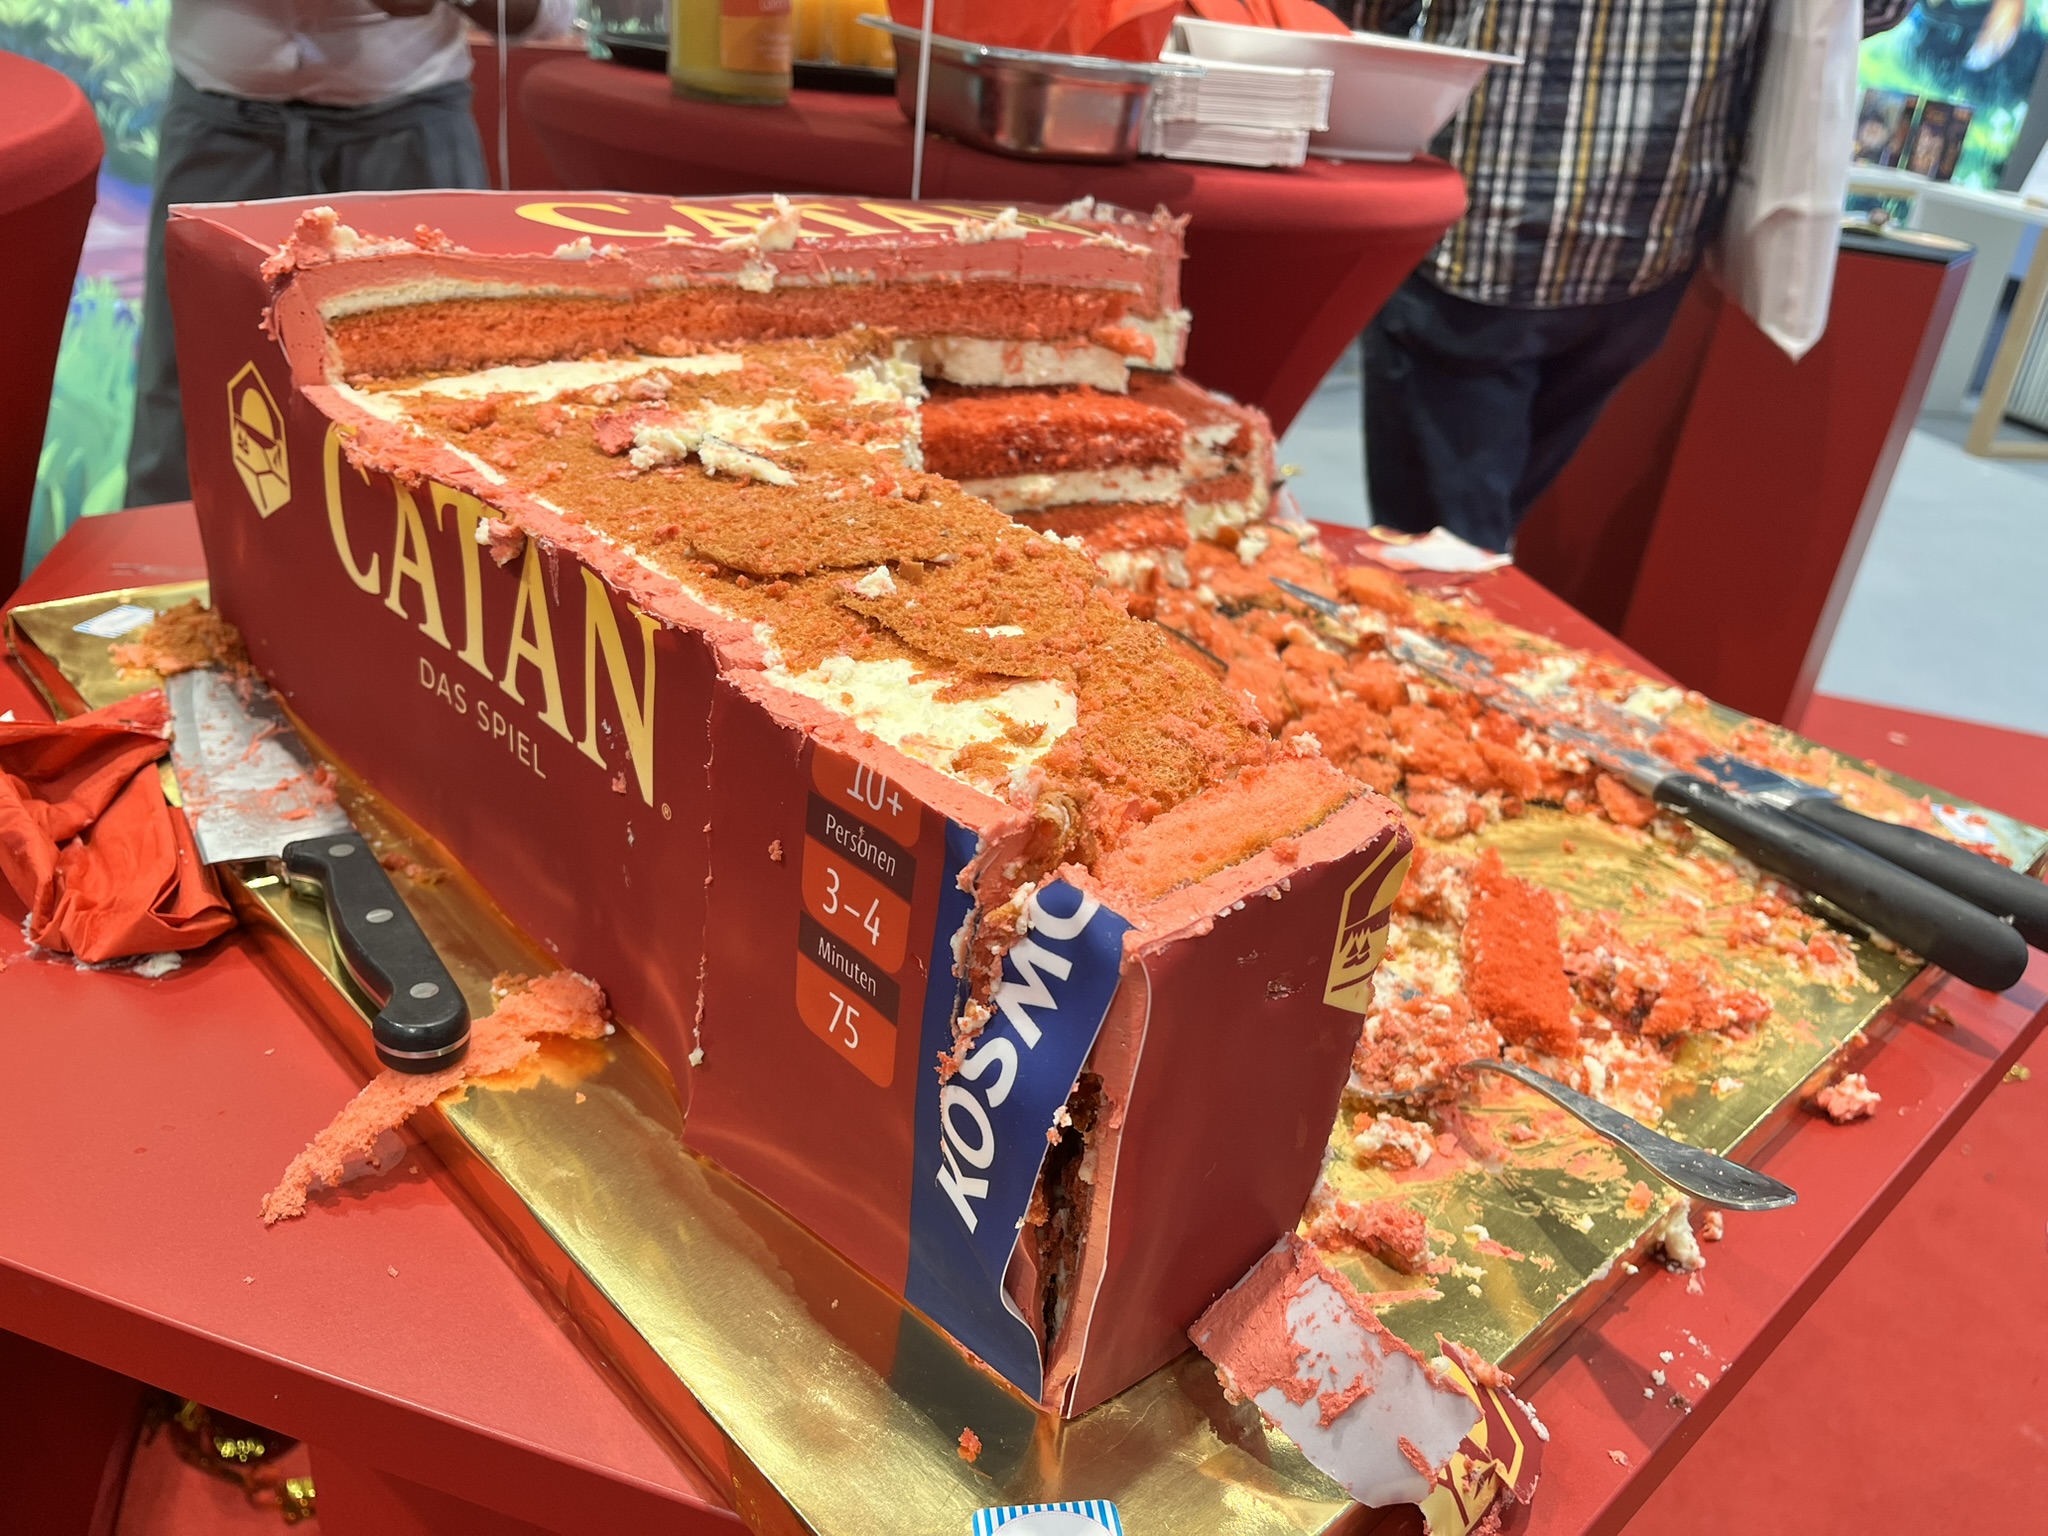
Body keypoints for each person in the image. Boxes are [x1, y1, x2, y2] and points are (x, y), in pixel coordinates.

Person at [1337, 0, 1916, 553]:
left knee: (1439, 554)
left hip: (1482, 233)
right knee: (1472, 531)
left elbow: (1357, 19)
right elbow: (1867, 13)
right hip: (1646, 238)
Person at [126, 0, 576, 509]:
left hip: (410, 132)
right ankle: (162, 554)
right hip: (219, 123)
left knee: (442, 382)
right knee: (189, 380)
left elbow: (542, 15)